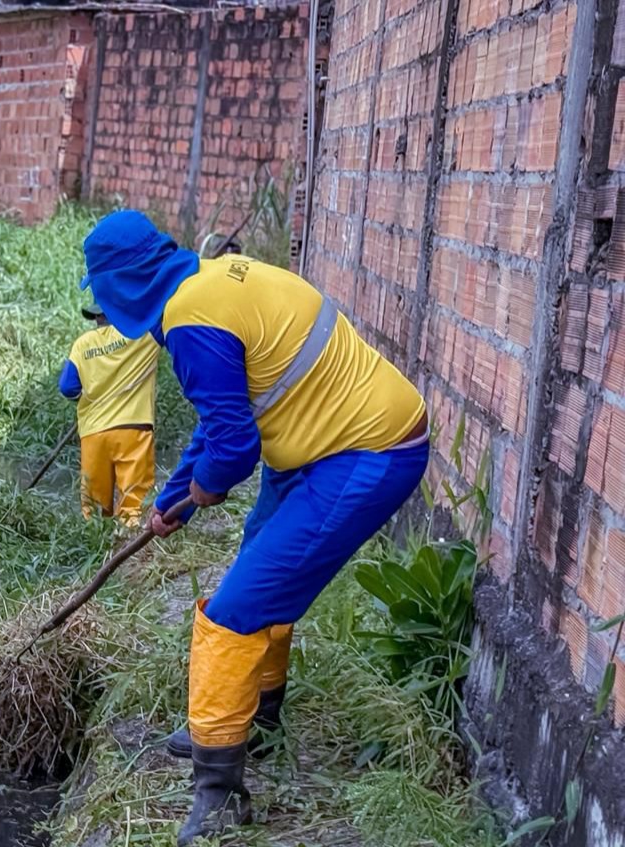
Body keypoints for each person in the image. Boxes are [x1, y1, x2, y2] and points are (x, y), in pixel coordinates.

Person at [80, 211, 428, 843]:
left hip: (365, 453)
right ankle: (256, 723)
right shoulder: (211, 282)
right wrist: (174, 501)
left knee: (234, 610)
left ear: (121, 285)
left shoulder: (191, 321)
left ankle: (218, 797)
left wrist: (205, 489)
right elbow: (222, 423)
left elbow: (234, 451)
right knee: (258, 564)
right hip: (320, 444)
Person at [58, 302, 159, 524]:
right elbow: (162, 313)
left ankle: (95, 541)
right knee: (133, 505)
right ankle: (129, 539)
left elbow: (67, 387)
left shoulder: (83, 343)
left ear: (97, 317)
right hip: (134, 429)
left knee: (94, 509)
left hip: (94, 433)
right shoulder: (143, 334)